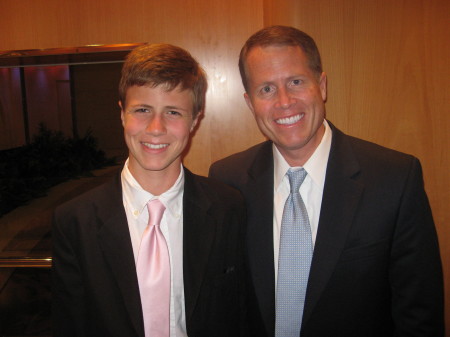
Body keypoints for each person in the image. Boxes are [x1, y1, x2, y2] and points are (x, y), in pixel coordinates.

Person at [209, 25, 444, 337]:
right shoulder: (227, 180)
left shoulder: (395, 178)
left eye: (295, 82)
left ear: (321, 85)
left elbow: (420, 314)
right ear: (250, 103)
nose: (284, 102)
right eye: (266, 89)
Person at [52, 43, 247, 337]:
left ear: (195, 120)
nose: (156, 128)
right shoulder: (75, 220)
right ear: (122, 114)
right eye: (142, 110)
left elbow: (238, 317)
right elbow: (71, 326)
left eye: (173, 112)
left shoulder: (228, 208)